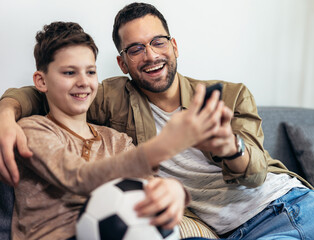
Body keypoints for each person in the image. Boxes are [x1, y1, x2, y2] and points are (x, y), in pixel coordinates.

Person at [1, 2, 314, 239]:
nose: (151, 55)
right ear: (123, 63)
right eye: (136, 49)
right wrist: (6, 111)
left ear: (174, 46)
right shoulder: (109, 96)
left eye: (158, 42)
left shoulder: (231, 94)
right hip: (236, 231)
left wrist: (229, 147)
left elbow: (256, 173)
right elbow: (47, 94)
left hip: (293, 201)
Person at [9, 21, 226, 240]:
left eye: (91, 71)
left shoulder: (116, 140)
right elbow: (78, 177)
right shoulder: (32, 129)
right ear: (41, 81)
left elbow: (148, 185)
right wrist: (163, 146)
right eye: (69, 72)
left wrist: (172, 190)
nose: (84, 81)